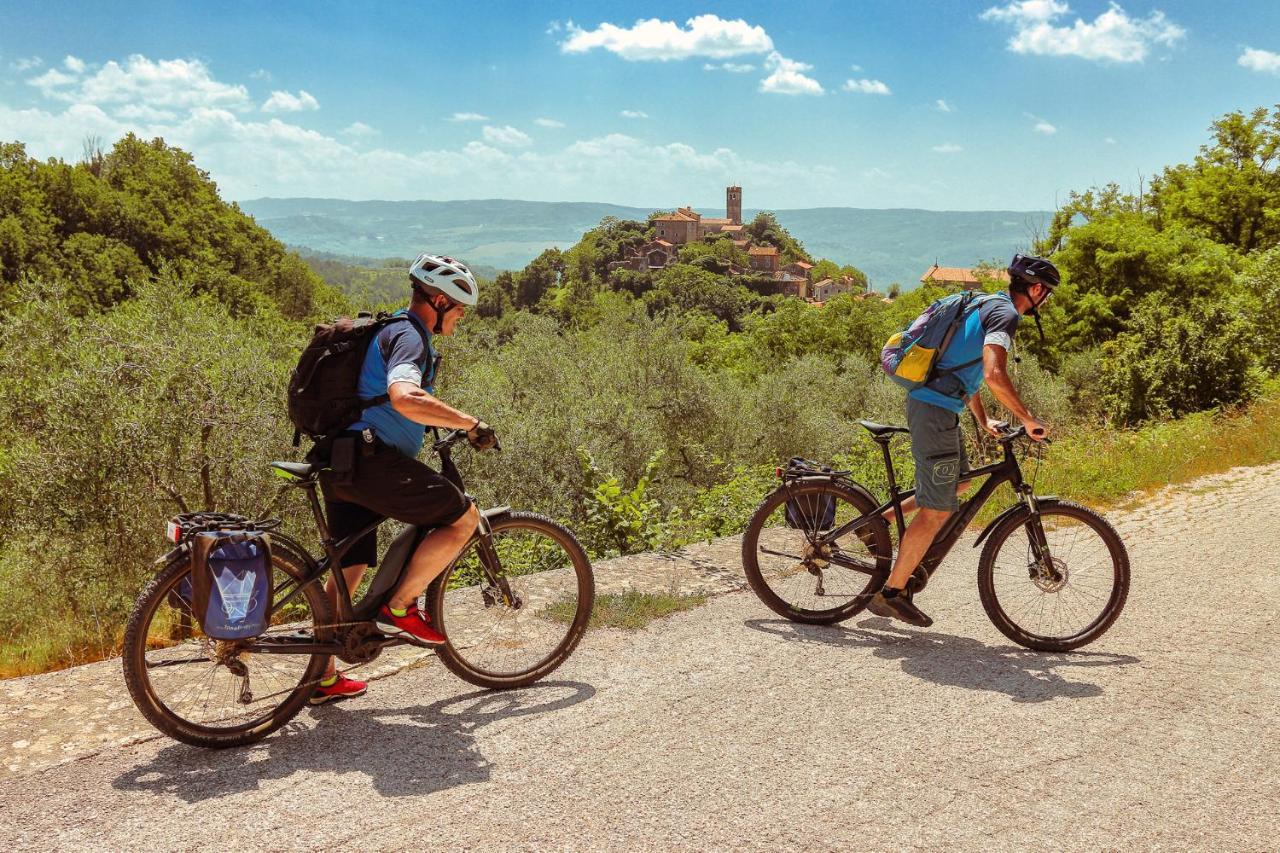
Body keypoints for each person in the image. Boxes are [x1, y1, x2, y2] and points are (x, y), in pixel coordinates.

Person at [310, 254, 498, 704]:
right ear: (438, 300)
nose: (460, 319)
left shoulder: (384, 328)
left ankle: (323, 675)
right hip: (373, 462)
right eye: (458, 310)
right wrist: (467, 423)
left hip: (342, 460)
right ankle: (400, 605)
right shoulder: (408, 336)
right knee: (463, 519)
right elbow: (405, 396)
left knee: (349, 566)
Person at [867, 254, 1059, 628]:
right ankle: (891, 593)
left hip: (940, 407)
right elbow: (993, 373)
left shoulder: (988, 303)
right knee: (937, 509)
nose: (1046, 300)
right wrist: (1028, 419)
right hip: (934, 410)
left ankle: (875, 524)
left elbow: (962, 367)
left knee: (960, 483)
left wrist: (984, 419)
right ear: (1036, 290)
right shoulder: (1006, 316)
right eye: (1047, 293)